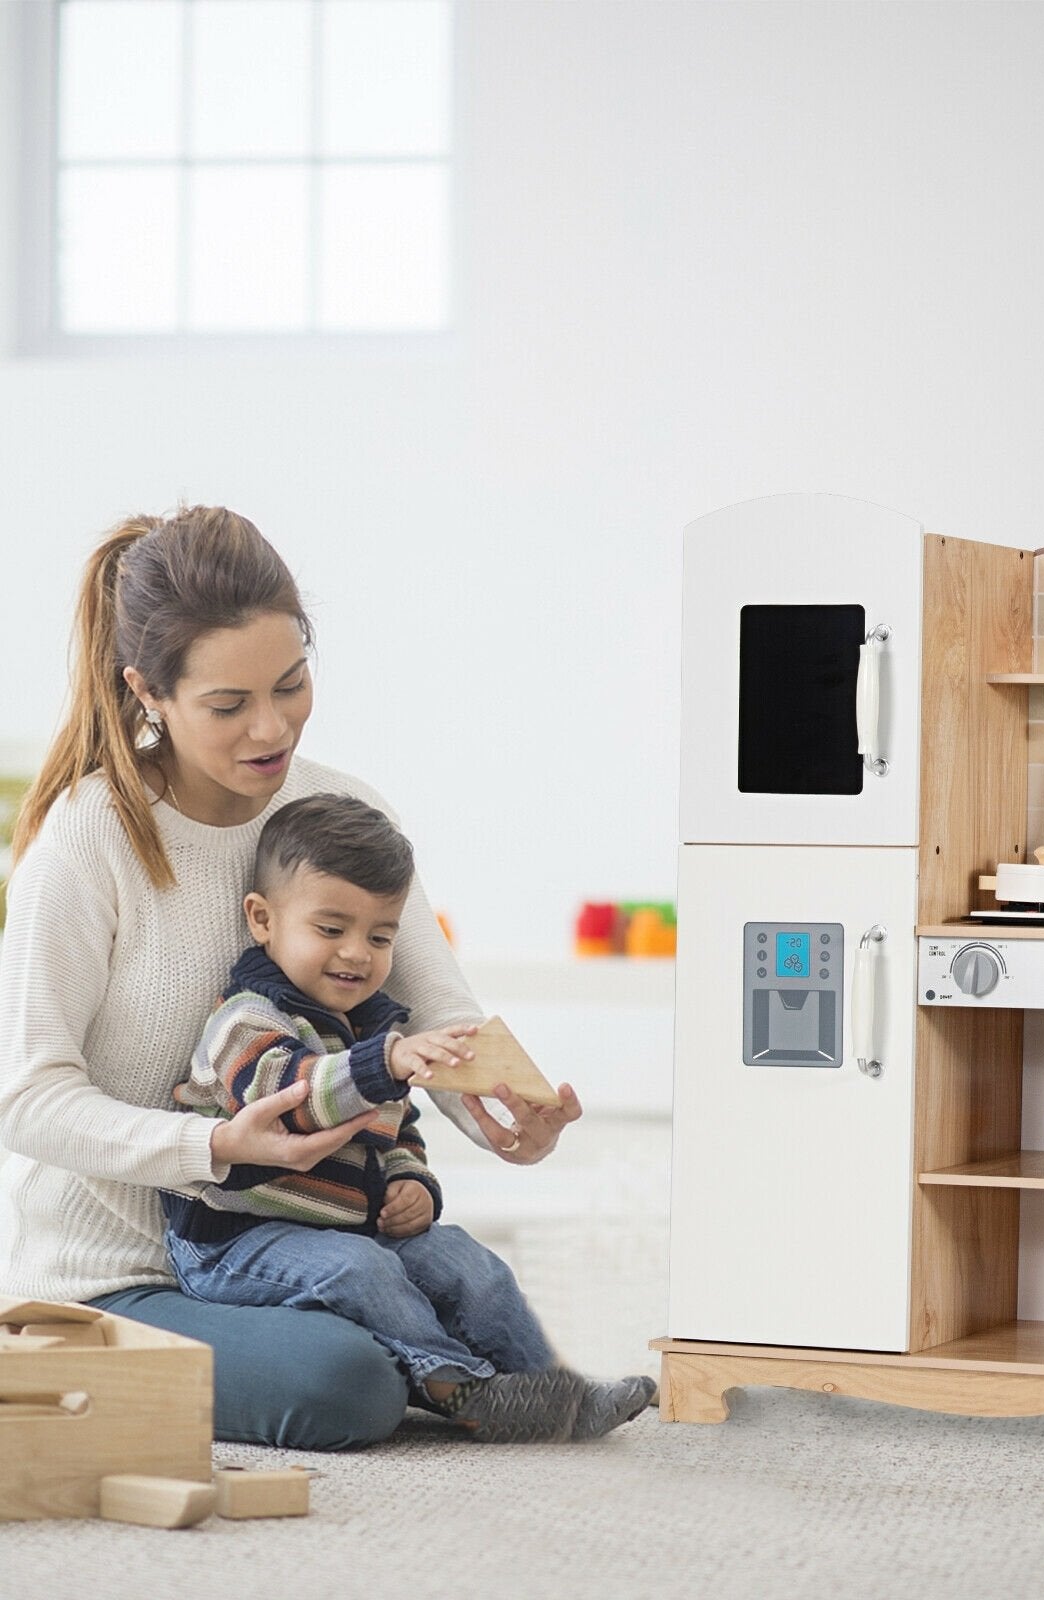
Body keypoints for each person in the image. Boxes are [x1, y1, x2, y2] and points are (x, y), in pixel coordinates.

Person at [0, 506, 648, 1449]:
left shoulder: (340, 811)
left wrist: (507, 1114)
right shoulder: (89, 838)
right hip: (127, 1272)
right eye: (228, 706)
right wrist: (216, 1146)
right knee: (348, 1385)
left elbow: (436, 1012)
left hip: (320, 1238)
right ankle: (62, 1351)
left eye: (292, 685)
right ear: (148, 692)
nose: (272, 728)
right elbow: (26, 1098)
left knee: (455, 1280)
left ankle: (479, 1381)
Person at [162, 792, 652, 1443]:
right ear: (263, 920)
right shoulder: (246, 1020)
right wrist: (385, 1063)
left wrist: (410, 1182)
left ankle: (554, 1387)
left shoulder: (372, 1028)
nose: (357, 954)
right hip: (235, 1241)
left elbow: (397, 1129)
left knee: (464, 1258)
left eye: (380, 936)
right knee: (363, 1272)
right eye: (331, 930)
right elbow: (297, 1097)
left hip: (349, 1229)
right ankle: (464, 1388)